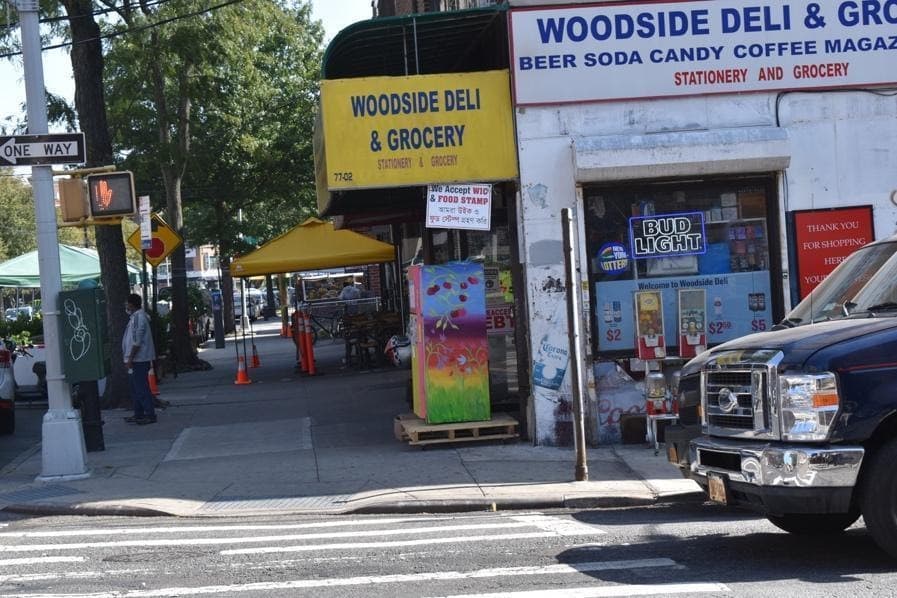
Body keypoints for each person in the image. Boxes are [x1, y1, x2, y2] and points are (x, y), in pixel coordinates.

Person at [123, 293, 157, 425]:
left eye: (127, 303)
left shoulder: (138, 318)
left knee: (141, 387)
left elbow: (137, 340)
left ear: (131, 304)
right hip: (136, 359)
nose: (126, 306)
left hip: (139, 359)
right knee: (136, 387)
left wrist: (130, 358)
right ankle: (139, 413)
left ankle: (149, 414)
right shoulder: (135, 318)